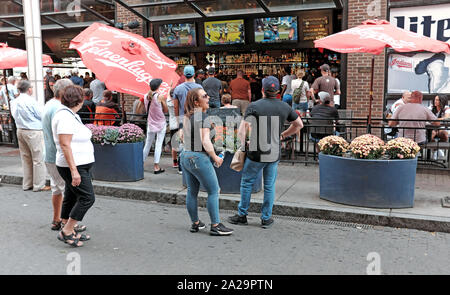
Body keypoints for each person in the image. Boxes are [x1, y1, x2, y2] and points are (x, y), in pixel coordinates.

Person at [228, 76, 303, 228]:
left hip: (256, 151)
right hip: (274, 151)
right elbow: (299, 124)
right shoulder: (284, 107)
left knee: (247, 182)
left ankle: (242, 215)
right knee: (269, 185)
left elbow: (242, 131)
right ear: (277, 91)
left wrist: (244, 145)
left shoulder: (254, 106)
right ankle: (266, 218)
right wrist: (283, 135)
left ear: (262, 89)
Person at [180, 87, 234, 236]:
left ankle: (195, 223)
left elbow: (182, 137)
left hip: (186, 155)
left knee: (192, 191)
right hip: (198, 157)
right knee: (214, 190)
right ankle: (215, 225)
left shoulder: (187, 116)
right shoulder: (203, 118)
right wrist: (215, 157)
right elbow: (205, 141)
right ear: (196, 102)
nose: (208, 97)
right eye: (204, 96)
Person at [52, 85, 95, 247]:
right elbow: (65, 144)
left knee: (71, 195)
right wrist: (74, 171)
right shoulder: (65, 117)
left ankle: (65, 222)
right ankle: (67, 231)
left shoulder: (70, 114)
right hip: (73, 165)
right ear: (80, 100)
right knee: (87, 198)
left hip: (77, 164)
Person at [42, 78, 73, 231]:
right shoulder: (59, 108)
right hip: (57, 155)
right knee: (68, 190)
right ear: (64, 91)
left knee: (57, 188)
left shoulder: (49, 104)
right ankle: (67, 224)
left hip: (50, 153)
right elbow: (63, 138)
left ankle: (56, 219)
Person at [10, 80, 50, 192]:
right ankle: (39, 185)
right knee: (38, 158)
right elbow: (41, 115)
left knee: (26, 158)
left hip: (20, 130)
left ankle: (27, 184)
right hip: (33, 130)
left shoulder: (14, 101)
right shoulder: (31, 101)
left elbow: (14, 115)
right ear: (29, 89)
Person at [142, 79, 169, 174]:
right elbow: (165, 110)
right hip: (160, 123)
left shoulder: (145, 96)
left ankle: (140, 163)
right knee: (158, 144)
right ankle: (156, 166)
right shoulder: (160, 96)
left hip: (150, 122)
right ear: (159, 86)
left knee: (147, 144)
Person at [429, 94, 449, 160]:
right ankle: (435, 151)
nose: (435, 101)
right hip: (432, 127)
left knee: (444, 135)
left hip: (442, 128)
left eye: (437, 100)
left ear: (442, 101)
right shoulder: (431, 107)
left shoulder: (446, 108)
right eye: (435, 99)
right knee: (431, 135)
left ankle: (439, 149)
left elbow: (446, 117)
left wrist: (435, 119)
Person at [166, 89, 181, 171]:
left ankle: (174, 162)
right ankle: (179, 161)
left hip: (172, 124)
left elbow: (168, 94)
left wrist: (170, 87)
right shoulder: (177, 103)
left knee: (174, 144)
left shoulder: (168, 101)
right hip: (178, 124)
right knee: (181, 143)